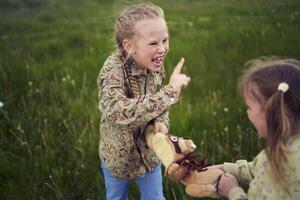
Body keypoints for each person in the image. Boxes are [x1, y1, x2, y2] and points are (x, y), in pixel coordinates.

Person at [97, 3, 191, 200]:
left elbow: (159, 105)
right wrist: (170, 92)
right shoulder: (113, 70)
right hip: (118, 158)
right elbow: (116, 111)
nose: (162, 49)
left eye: (165, 40)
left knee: (156, 198)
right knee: (116, 197)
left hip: (149, 155)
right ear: (129, 46)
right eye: (153, 43)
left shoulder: (155, 66)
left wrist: (162, 122)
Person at [211, 58, 300, 199]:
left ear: (271, 113)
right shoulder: (289, 149)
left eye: (249, 107)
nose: (247, 112)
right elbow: (255, 169)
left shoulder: (276, 164)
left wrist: (232, 191)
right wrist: (223, 168)